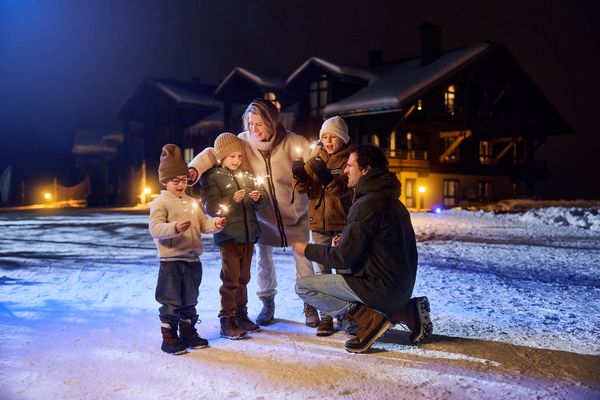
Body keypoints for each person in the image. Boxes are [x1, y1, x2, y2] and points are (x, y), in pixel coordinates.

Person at [188, 99, 318, 327]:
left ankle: (310, 306)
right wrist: (195, 168)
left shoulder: (293, 142)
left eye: (259, 124)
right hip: (262, 215)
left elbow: (315, 155)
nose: (254, 129)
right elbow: (213, 152)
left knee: (303, 259)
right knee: (263, 261)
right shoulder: (243, 142)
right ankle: (267, 304)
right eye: (250, 123)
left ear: (272, 122)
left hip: (295, 214)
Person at [293, 144, 433, 353]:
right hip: (399, 288)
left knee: (304, 286)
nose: (346, 170)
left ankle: (369, 319)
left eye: (350, 165)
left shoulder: (367, 203)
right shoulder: (393, 202)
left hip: (378, 288)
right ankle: (404, 311)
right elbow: (380, 247)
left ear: (366, 169)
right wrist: (347, 239)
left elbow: (343, 259)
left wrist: (307, 249)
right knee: (349, 311)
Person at [149, 144, 226, 355]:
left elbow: (203, 224)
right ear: (165, 181)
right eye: (176, 180)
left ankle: (188, 332)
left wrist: (216, 224)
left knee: (190, 299)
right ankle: (169, 337)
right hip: (171, 261)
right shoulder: (160, 203)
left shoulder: (192, 202)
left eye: (183, 179)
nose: (181, 184)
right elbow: (155, 229)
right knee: (171, 300)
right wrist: (174, 227)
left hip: (192, 261)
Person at [199, 133, 269, 340]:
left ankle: (241, 315)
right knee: (231, 279)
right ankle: (226, 319)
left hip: (248, 236)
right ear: (221, 157)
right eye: (231, 157)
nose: (236, 160)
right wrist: (231, 199)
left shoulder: (246, 175)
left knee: (244, 278)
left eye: (239, 156)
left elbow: (262, 201)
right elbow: (210, 206)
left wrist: (259, 198)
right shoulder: (212, 178)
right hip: (229, 237)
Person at [291, 116, 353, 336]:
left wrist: (326, 176)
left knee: (343, 271)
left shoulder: (349, 161)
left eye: (332, 137)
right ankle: (327, 315)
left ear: (342, 138)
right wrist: (299, 174)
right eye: (324, 137)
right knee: (322, 271)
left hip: (342, 223)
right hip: (317, 223)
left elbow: (341, 189)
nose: (327, 141)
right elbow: (302, 189)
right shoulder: (315, 158)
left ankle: (347, 315)